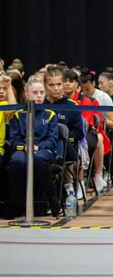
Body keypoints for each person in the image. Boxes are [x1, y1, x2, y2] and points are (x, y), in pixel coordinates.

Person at [6, 79, 59, 217]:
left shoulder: (50, 114)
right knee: (16, 161)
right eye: (35, 93)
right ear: (27, 95)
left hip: (43, 150)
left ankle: (51, 198)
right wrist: (24, 147)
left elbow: (52, 140)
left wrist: (38, 147)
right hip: (23, 149)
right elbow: (13, 140)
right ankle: (16, 204)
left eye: (42, 92)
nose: (39, 96)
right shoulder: (18, 115)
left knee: (39, 159)